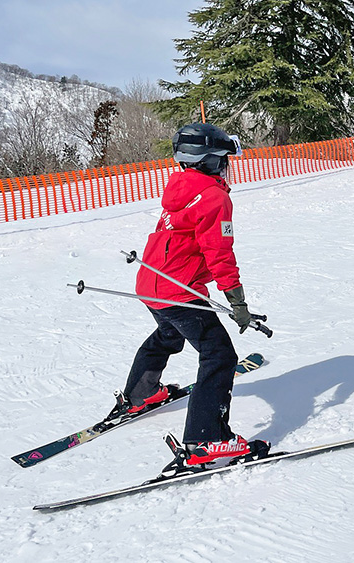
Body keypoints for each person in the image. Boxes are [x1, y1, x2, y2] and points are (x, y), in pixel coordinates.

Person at [106, 122, 259, 466]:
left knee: (167, 335)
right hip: (179, 290)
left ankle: (140, 395)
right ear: (211, 161)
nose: (227, 166)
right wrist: (237, 301)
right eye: (224, 159)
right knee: (218, 355)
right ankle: (207, 439)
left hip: (152, 284)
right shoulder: (214, 197)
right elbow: (219, 252)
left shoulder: (181, 187)